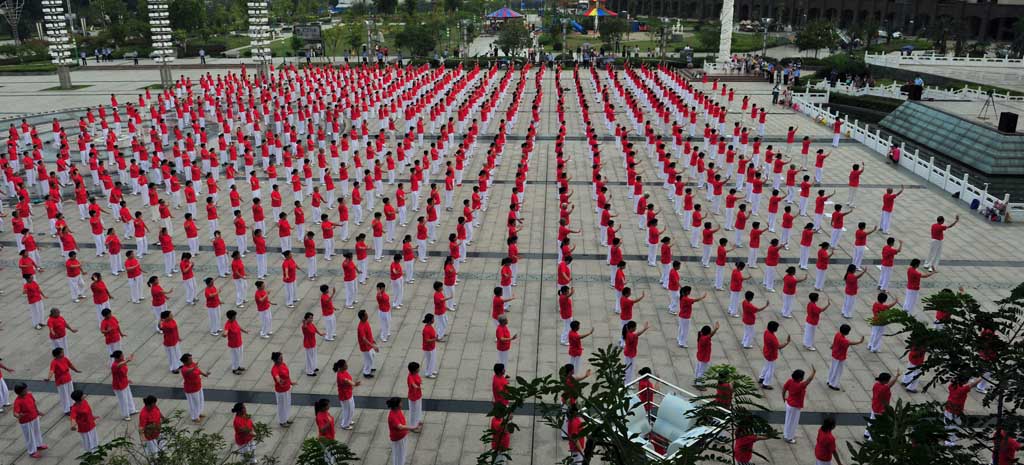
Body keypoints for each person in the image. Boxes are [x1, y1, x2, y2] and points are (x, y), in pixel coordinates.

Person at [782, 367, 816, 443]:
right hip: (795, 407)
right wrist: (813, 373)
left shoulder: (790, 381)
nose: (803, 378)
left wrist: (783, 398)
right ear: (799, 378)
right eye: (802, 377)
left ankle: (786, 434)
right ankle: (789, 437)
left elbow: (784, 389)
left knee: (788, 420)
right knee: (793, 422)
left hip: (789, 403)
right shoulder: (799, 386)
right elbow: (808, 381)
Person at [13, 383, 46, 458]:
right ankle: (32, 451)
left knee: (37, 431)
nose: (27, 390)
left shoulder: (29, 395)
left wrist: (37, 412)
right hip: (26, 421)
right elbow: (15, 413)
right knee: (29, 436)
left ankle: (39, 445)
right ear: (20, 392)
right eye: (25, 390)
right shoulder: (17, 401)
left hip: (34, 416)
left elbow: (34, 404)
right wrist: (18, 415)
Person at [827, 324, 864, 391]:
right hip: (840, 356)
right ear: (847, 332)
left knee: (832, 368)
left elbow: (834, 342)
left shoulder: (837, 334)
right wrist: (860, 342)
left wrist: (832, 346)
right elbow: (850, 343)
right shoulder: (843, 340)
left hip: (835, 354)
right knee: (838, 371)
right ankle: (833, 384)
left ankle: (829, 380)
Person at [387, 396, 422, 465]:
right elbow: (400, 427)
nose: (402, 404)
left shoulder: (398, 410)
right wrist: (413, 428)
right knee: (398, 456)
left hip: (402, 437)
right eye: (400, 403)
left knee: (402, 454)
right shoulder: (392, 416)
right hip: (398, 439)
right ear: (396, 406)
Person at [865, 371, 899, 439]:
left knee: (871, 421)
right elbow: (890, 385)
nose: (889, 382)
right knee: (878, 425)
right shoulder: (883, 388)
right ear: (884, 381)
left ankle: (867, 433)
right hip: (880, 409)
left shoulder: (876, 385)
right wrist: (897, 376)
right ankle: (871, 439)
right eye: (888, 380)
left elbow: (889, 385)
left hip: (875, 406)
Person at [46, 347, 80, 414]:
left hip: (68, 378)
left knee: (71, 392)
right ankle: (66, 410)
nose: (63, 353)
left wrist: (76, 370)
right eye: (62, 352)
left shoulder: (65, 358)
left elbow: (70, 365)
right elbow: (51, 370)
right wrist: (49, 378)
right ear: (58, 354)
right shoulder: (54, 362)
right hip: (61, 381)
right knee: (64, 395)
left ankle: (72, 406)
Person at [759, 321, 791, 389]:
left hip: (766, 352)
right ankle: (765, 383)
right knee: (770, 370)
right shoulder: (772, 338)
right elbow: (779, 347)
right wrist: (787, 342)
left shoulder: (766, 332)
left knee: (766, 366)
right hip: (771, 355)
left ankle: (761, 377)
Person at [180, 353, 210, 422]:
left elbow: (198, 370)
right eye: (190, 359)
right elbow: (188, 371)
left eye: (191, 358)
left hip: (198, 386)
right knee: (194, 403)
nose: (191, 360)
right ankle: (194, 417)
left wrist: (204, 374)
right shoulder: (184, 369)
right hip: (191, 389)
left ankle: (199, 413)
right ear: (185, 361)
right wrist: (194, 368)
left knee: (200, 400)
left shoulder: (193, 364)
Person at [110, 350, 137, 420]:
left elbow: (123, 372)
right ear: (117, 358)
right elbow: (119, 365)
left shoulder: (122, 362)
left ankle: (132, 410)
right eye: (122, 356)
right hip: (118, 386)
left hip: (124, 382)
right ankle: (126, 415)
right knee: (123, 400)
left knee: (129, 396)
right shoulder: (114, 365)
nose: (123, 356)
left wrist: (127, 380)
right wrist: (127, 360)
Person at [270, 352, 295, 427]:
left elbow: (287, 375)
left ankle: (286, 418)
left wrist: (290, 382)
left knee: (287, 404)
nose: (282, 359)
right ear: (275, 360)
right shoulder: (274, 369)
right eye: (280, 358)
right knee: (282, 406)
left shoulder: (283, 364)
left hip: (287, 388)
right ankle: (282, 421)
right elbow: (277, 377)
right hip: (281, 390)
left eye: (282, 357)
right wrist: (279, 380)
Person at [334, 359, 360, 429]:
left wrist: (353, 385)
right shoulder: (340, 376)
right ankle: (345, 424)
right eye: (345, 365)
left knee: (351, 408)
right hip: (345, 395)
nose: (347, 366)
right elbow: (347, 381)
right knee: (348, 409)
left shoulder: (344, 371)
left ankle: (348, 420)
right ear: (342, 367)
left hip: (348, 393)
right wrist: (354, 384)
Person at [694, 322, 721, 386]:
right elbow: (710, 335)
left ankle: (696, 379)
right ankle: (699, 383)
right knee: (702, 371)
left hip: (700, 356)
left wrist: (715, 329)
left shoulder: (701, 335)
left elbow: (710, 335)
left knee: (698, 368)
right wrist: (715, 329)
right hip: (704, 357)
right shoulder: (705, 339)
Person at [223, 310, 247, 374]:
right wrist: (224, 334)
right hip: (233, 345)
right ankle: (234, 369)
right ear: (231, 317)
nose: (235, 317)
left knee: (240, 355)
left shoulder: (234, 321)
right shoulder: (227, 324)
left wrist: (245, 331)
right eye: (234, 316)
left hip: (239, 342)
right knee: (235, 357)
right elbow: (226, 332)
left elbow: (238, 327)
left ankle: (239, 366)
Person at [356, 310, 379, 378]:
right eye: (366, 315)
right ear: (362, 317)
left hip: (369, 344)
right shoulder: (361, 327)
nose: (367, 315)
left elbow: (368, 333)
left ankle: (371, 367)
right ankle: (366, 372)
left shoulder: (365, 322)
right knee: (368, 360)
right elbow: (364, 339)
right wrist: (373, 346)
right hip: (365, 346)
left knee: (373, 355)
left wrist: (372, 340)